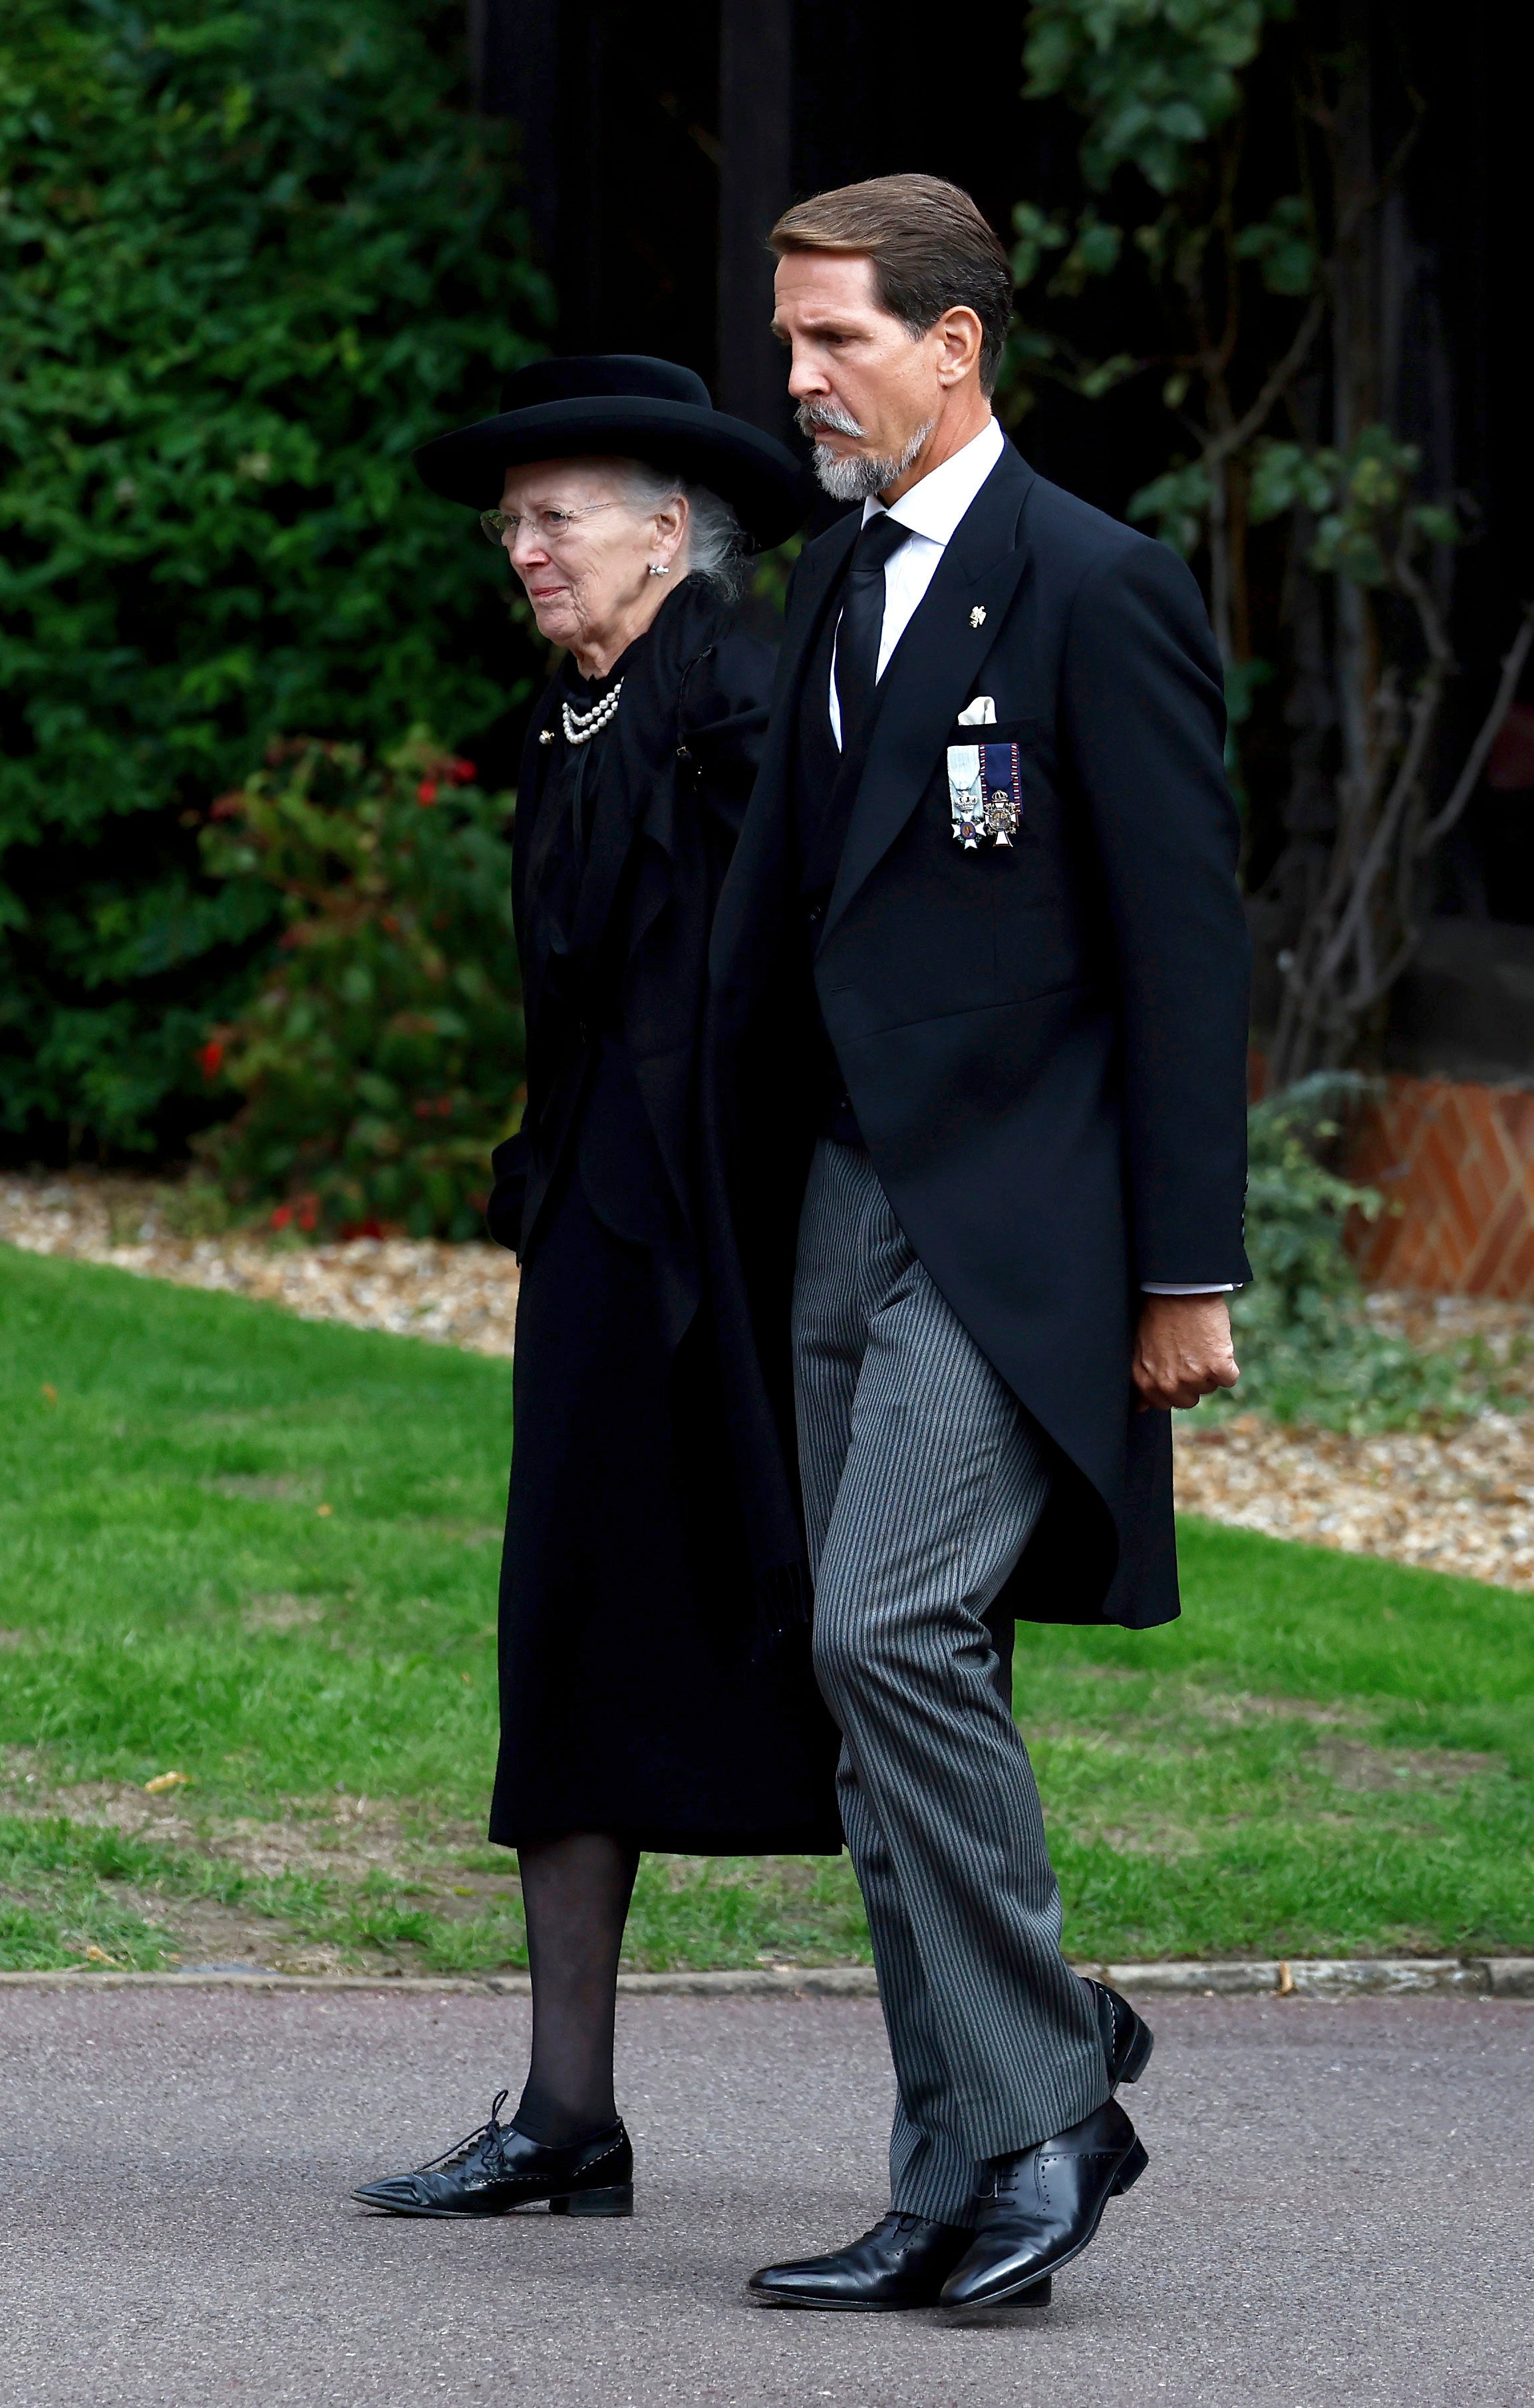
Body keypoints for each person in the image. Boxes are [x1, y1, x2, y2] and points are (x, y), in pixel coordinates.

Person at [699, 177, 1251, 2312]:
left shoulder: (1093, 585)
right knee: (875, 1698)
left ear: (958, 344)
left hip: (1018, 1230)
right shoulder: (832, 580)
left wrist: (1184, 1271)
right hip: (837, 1205)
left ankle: (1046, 2103)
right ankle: (958, 2167)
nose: (801, 375)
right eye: (789, 336)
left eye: (836, 337)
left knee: (889, 1635)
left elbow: (1185, 952)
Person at [353, 355, 840, 2222]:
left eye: (552, 518)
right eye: (510, 526)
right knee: (559, 1627)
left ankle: (1026, 2039)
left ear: (666, 526)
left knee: (838, 1634)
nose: (522, 550)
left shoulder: (747, 682)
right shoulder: (568, 709)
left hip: (743, 1247)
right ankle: (570, 2112)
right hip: (594, 1245)